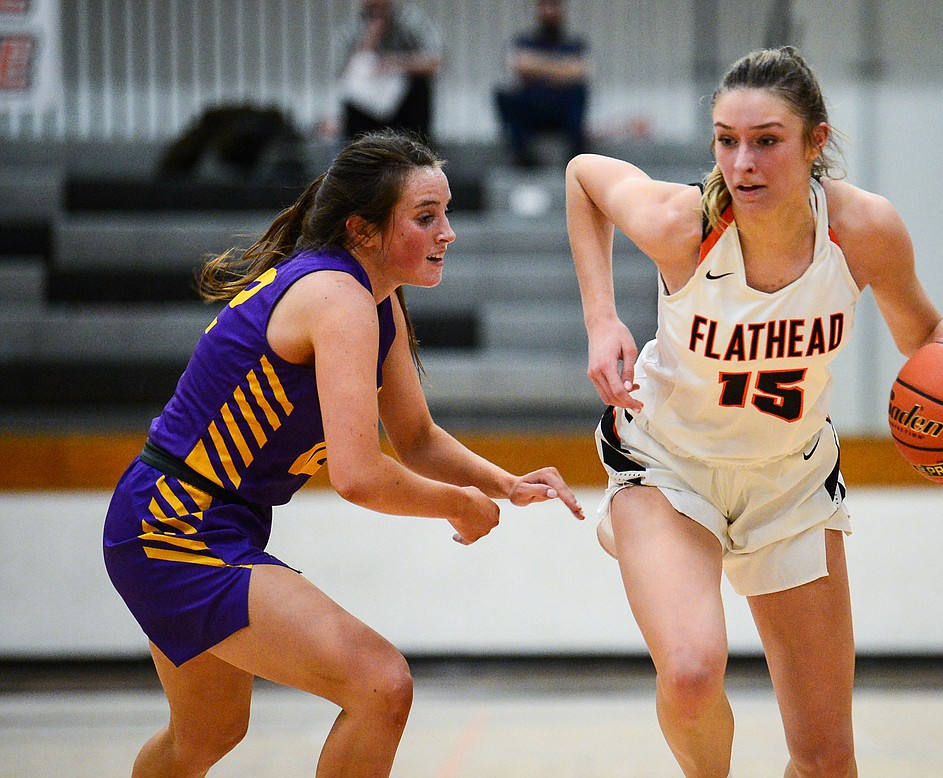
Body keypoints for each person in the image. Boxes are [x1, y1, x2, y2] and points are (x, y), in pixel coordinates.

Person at [565, 47, 943, 778]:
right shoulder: (681, 225)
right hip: (669, 467)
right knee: (691, 673)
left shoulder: (862, 230)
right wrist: (601, 317)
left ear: (815, 142)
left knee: (828, 760)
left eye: (766, 140)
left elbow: (923, 333)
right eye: (726, 140)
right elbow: (585, 177)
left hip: (790, 482)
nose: (742, 163)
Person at [104, 129, 584, 777]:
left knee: (205, 736)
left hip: (188, 519)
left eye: (446, 212)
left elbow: (416, 439)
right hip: (172, 525)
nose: (448, 232)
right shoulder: (338, 298)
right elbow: (358, 476)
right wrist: (457, 505)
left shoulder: (377, 301)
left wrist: (502, 484)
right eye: (425, 217)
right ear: (362, 230)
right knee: (380, 684)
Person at [494, 0, 590, 168]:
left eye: (553, 6)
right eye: (544, 6)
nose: (549, 11)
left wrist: (537, 67)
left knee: (579, 92)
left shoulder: (574, 43)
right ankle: (522, 156)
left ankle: (576, 157)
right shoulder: (523, 40)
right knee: (504, 95)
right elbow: (519, 65)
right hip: (532, 109)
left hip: (562, 111)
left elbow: (579, 71)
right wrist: (560, 69)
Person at [336, 0, 442, 143]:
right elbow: (344, 74)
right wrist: (370, 39)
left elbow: (435, 61)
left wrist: (395, 64)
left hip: (408, 106)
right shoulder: (353, 27)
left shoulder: (409, 21)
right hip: (366, 108)